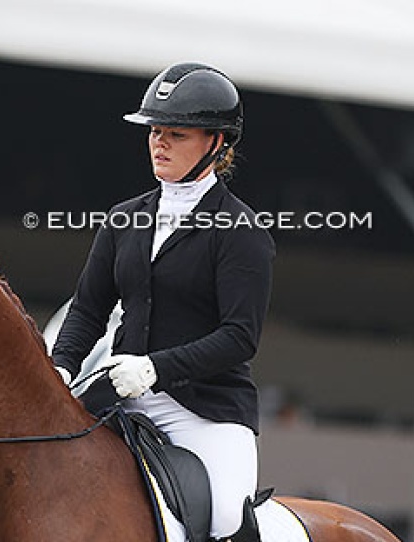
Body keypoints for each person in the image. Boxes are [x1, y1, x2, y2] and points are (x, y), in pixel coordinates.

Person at [51, 62, 275, 542]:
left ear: (217, 144)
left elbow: (240, 337)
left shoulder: (241, 232)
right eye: (154, 131)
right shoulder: (123, 219)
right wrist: (61, 367)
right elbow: (88, 309)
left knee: (227, 523)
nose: (159, 142)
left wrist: (154, 369)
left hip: (206, 409)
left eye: (176, 133)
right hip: (117, 395)